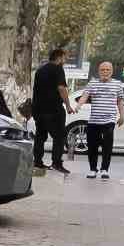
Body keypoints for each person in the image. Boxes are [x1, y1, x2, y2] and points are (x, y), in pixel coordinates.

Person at [72, 62, 124, 179]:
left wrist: (122, 116)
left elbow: (120, 101)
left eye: (107, 70)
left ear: (111, 71)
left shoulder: (117, 84)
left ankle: (104, 169)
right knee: (92, 146)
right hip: (94, 120)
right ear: (99, 71)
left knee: (107, 146)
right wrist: (79, 105)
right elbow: (85, 95)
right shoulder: (92, 83)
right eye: (103, 70)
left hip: (109, 120)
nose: (105, 72)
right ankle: (93, 169)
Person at [31, 47, 72, 176]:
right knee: (59, 137)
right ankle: (57, 163)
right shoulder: (58, 68)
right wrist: (68, 105)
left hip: (38, 109)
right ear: (59, 57)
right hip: (53, 110)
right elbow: (61, 88)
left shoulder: (40, 70)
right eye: (65, 58)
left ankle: (37, 162)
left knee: (40, 136)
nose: (65, 60)